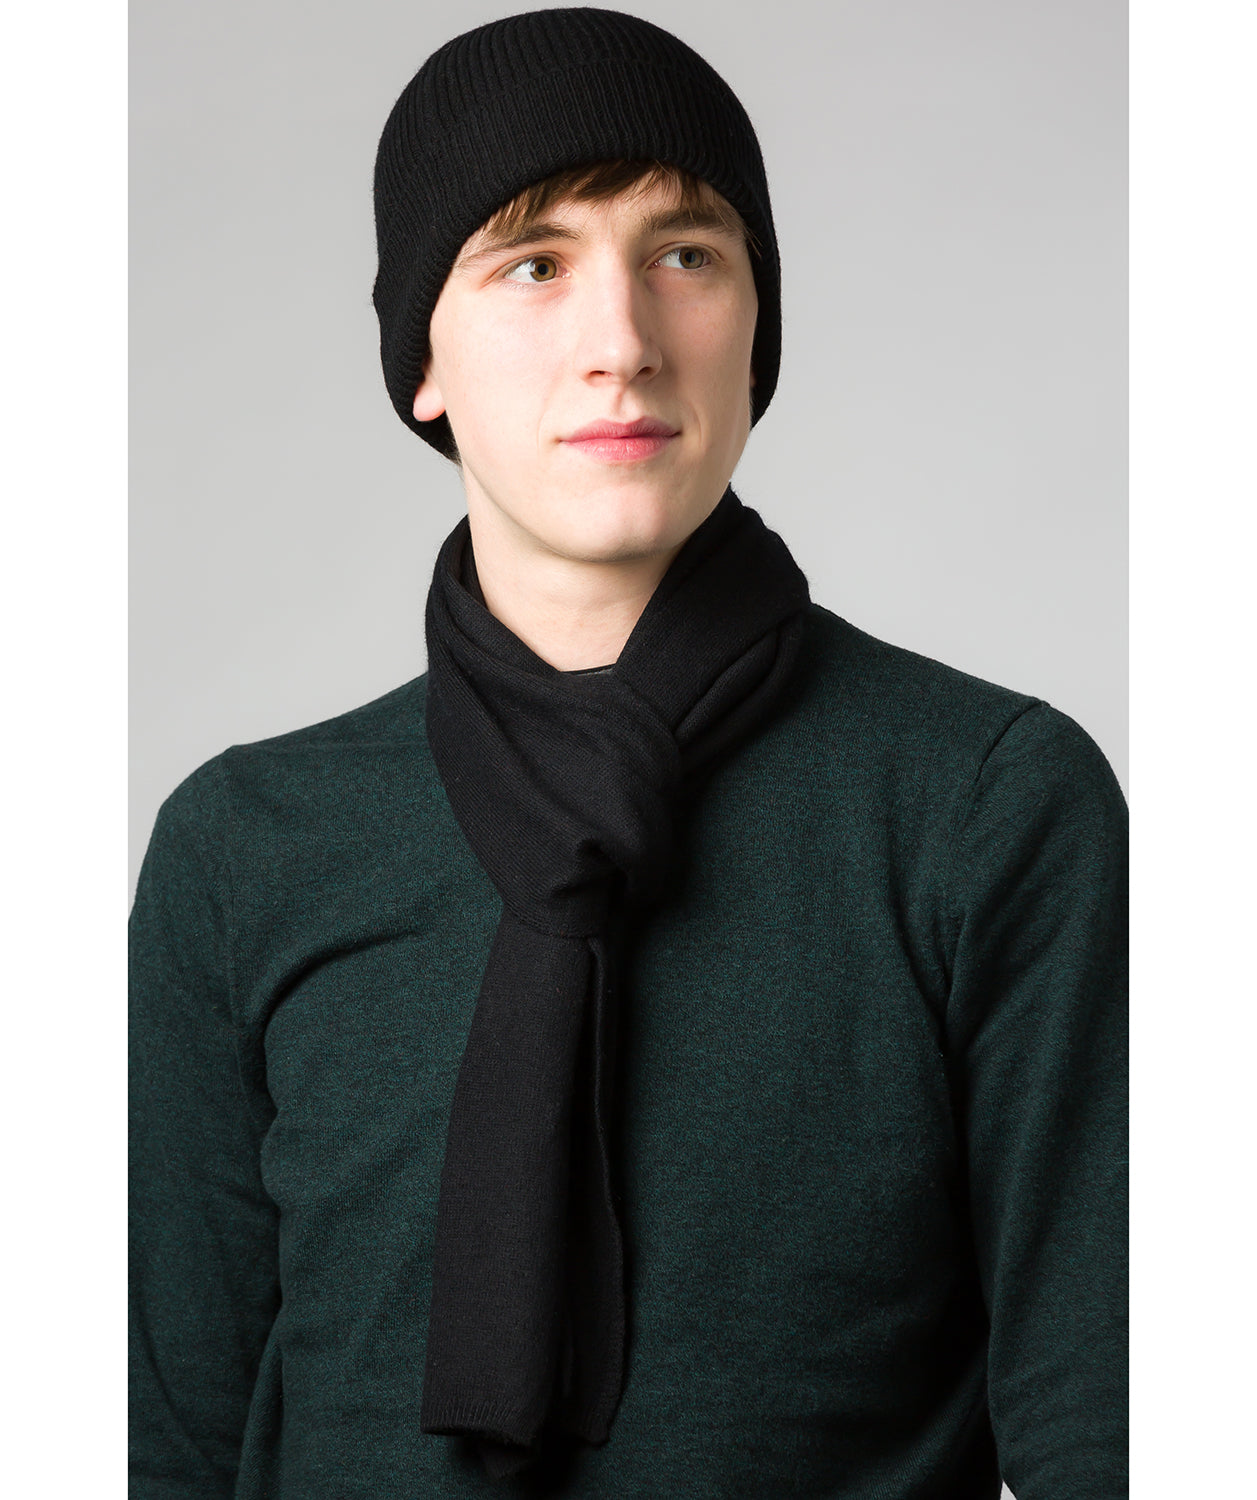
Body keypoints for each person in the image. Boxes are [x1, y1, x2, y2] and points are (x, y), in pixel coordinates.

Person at [129, 8, 1128, 1498]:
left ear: (754, 325)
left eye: (685, 254)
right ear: (421, 359)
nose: (622, 344)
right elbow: (164, 1447)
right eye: (533, 264)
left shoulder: (987, 806)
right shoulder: (244, 846)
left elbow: (1110, 1431)